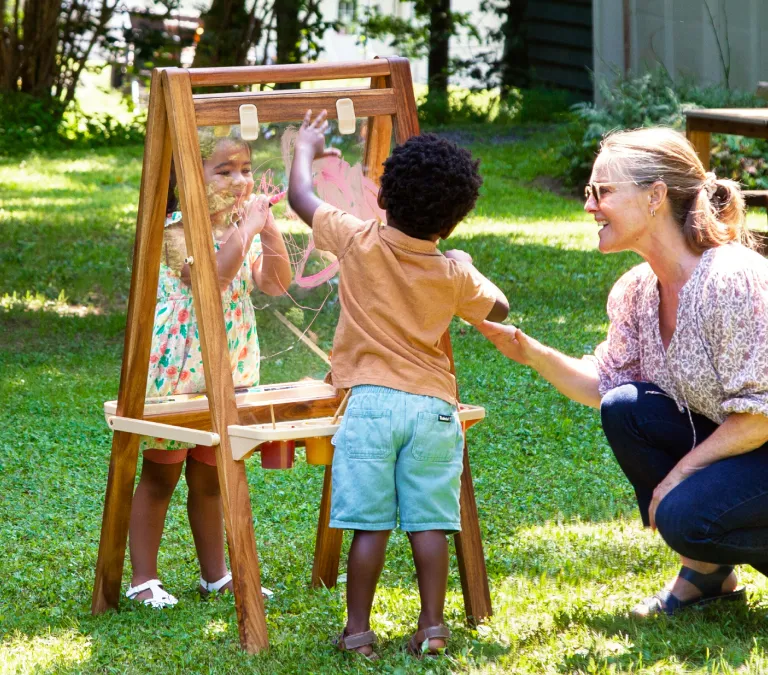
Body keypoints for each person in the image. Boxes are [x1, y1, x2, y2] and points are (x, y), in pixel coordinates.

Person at [478, 126, 768, 617]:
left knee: (681, 513)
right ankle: (706, 576)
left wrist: (679, 476)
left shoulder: (732, 280)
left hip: (758, 435)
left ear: (655, 196)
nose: (589, 205)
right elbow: (607, 385)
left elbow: (759, 417)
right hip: (747, 447)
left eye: (603, 191)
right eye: (590, 192)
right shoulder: (638, 290)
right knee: (627, 409)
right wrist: (534, 354)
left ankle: (699, 557)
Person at [288, 110, 509, 658]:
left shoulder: (358, 239)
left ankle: (358, 633)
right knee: (430, 524)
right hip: (434, 412)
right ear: (452, 223)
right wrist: (463, 260)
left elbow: (299, 200)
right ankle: (432, 627)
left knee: (369, 527)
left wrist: (305, 148)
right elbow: (499, 306)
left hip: (369, 408)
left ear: (381, 198)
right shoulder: (452, 271)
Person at [126, 130, 293, 608]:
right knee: (162, 472)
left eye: (244, 170)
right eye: (224, 170)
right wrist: (248, 228)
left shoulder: (240, 225)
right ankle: (143, 579)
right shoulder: (177, 227)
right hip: (179, 366)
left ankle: (215, 575)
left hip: (230, 362)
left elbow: (275, 284)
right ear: (188, 178)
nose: (240, 180)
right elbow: (209, 280)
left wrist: (269, 228)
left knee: (211, 475)